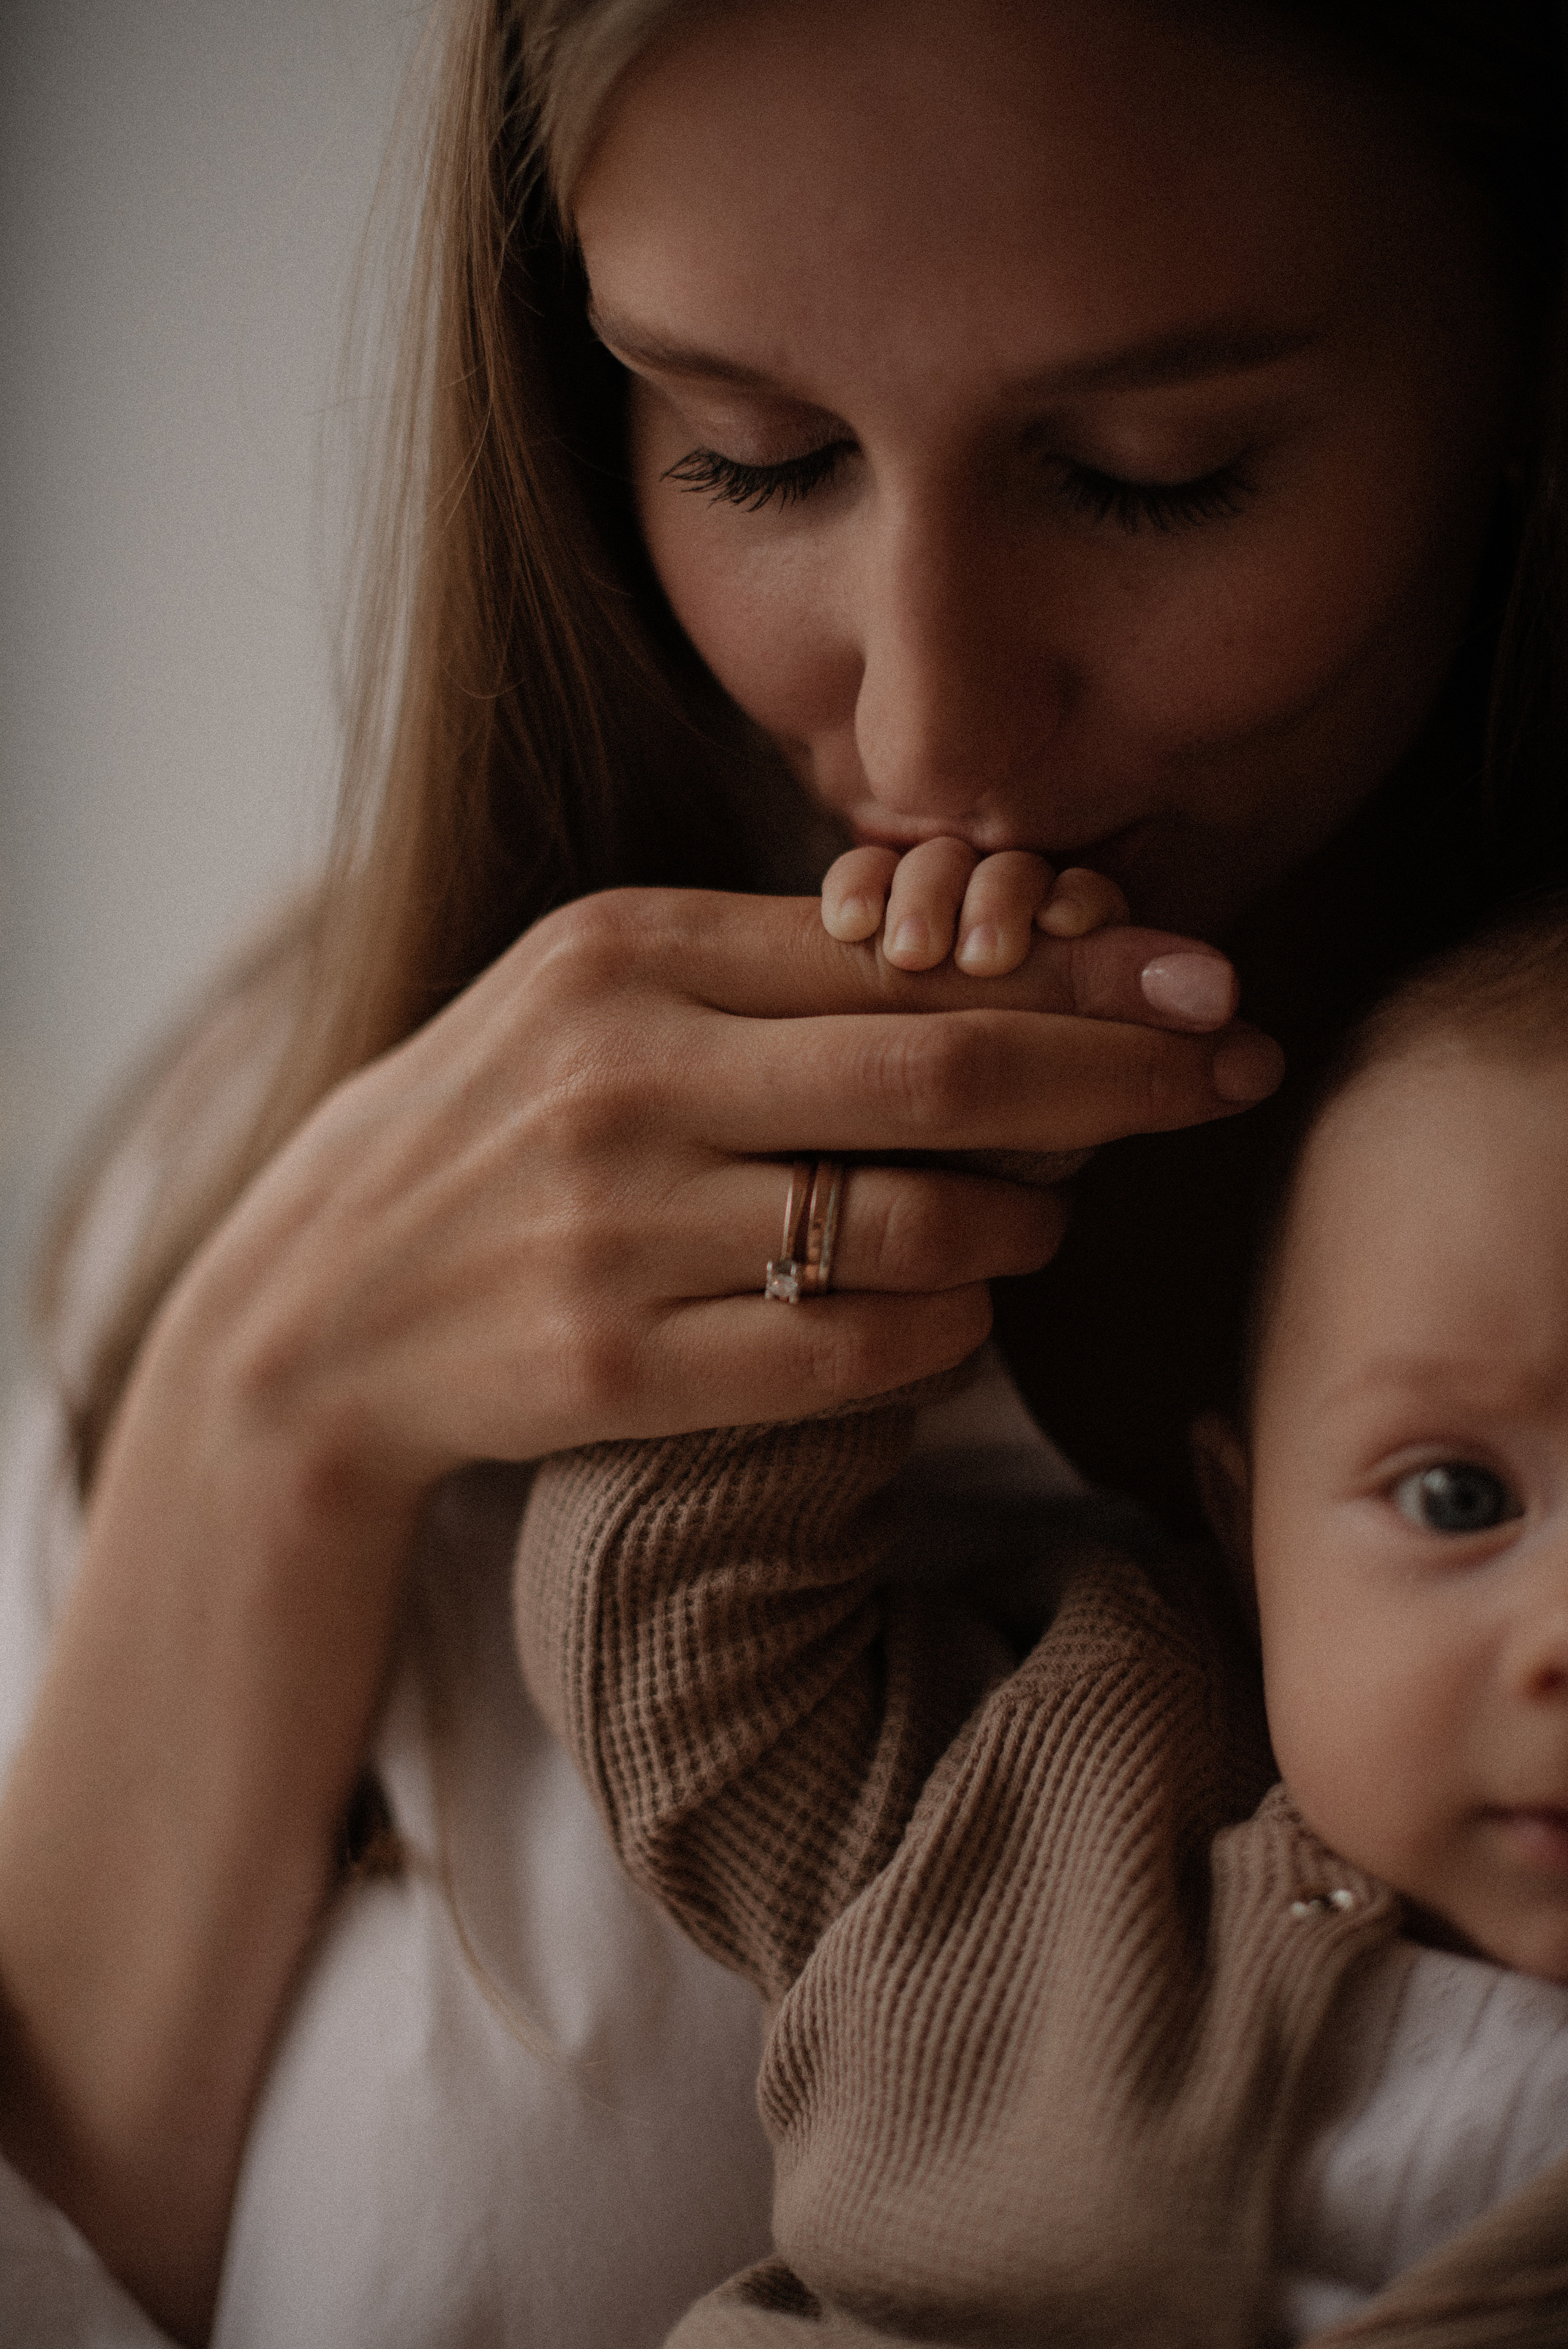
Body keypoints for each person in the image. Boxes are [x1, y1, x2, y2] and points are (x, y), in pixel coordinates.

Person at [0, 0, 1563, 2340]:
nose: (926, 727)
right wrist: (264, 1412)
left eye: (1152, 471)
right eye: (752, 456)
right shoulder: (310, 1106)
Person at [513, 888, 1568, 2347]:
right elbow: (681, 1650)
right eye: (1456, 1497)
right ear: (1240, 1519)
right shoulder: (1065, 1797)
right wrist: (945, 1120)